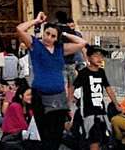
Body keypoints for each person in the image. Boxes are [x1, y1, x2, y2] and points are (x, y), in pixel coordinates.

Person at [17, 12, 84, 150]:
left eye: (53, 36)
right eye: (47, 33)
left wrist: (63, 33)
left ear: (56, 38)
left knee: (57, 134)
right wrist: (36, 21)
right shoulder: (35, 45)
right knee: (45, 133)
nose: (49, 37)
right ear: (43, 32)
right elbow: (20, 29)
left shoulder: (60, 49)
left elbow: (82, 43)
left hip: (58, 96)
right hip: (40, 95)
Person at [72, 45, 117, 150]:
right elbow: (73, 86)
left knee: (102, 138)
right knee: (93, 139)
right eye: (96, 56)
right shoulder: (83, 73)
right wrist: (69, 102)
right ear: (88, 57)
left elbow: (108, 88)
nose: (99, 59)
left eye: (101, 56)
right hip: (88, 113)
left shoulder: (101, 72)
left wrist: (116, 103)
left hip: (101, 112)